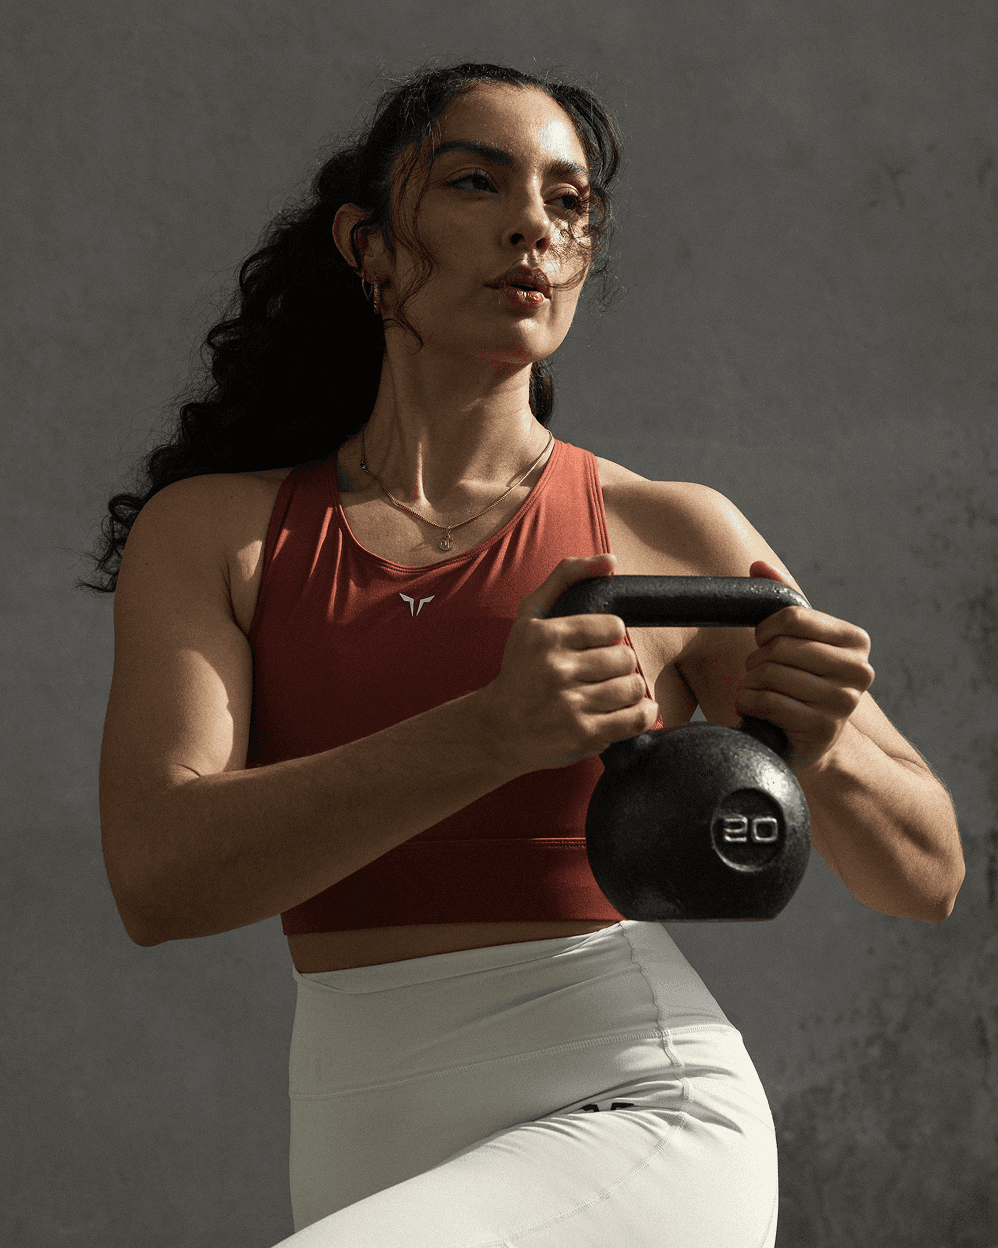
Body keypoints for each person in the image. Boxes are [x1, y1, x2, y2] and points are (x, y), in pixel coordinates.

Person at [83, 61, 964, 1247]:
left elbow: (928, 874)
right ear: (370, 247)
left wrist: (821, 751)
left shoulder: (667, 531)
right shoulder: (221, 534)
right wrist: (488, 733)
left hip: (631, 1101)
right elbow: (159, 881)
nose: (530, 229)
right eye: (474, 183)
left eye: (568, 202)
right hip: (353, 1117)